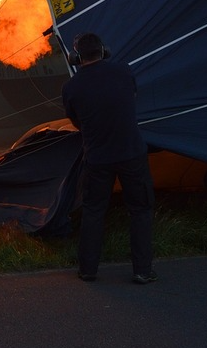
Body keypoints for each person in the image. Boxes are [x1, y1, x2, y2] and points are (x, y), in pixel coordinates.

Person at [61, 32, 156, 285]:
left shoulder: (71, 88)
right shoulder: (124, 72)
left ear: (75, 57)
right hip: (131, 153)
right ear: (104, 51)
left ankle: (88, 270)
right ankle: (142, 271)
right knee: (140, 210)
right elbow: (130, 100)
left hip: (98, 158)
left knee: (93, 211)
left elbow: (77, 122)